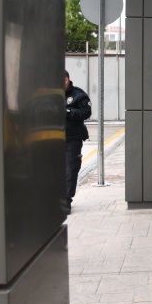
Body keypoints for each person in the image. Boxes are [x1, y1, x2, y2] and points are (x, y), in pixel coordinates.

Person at [64, 70, 91, 215]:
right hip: (52, 138)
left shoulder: (78, 95)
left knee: (71, 169)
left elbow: (86, 112)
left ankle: (66, 201)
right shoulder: (50, 94)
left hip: (72, 139)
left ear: (66, 80)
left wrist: (69, 112)